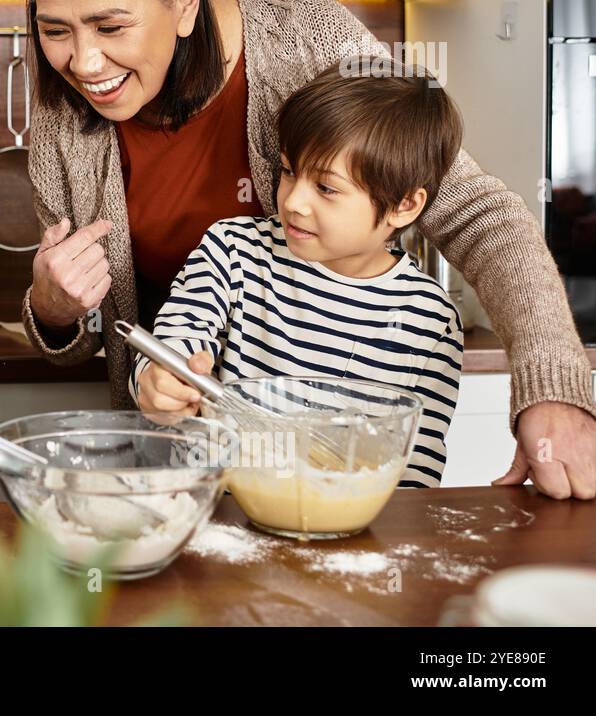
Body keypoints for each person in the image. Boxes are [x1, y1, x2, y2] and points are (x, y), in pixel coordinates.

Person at [21, 0, 596, 500]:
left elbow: (478, 214)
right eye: (55, 31)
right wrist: (53, 308)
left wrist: (554, 385)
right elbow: (96, 338)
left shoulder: (305, 37)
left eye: (110, 26)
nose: (84, 62)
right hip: (184, 459)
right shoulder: (63, 122)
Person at [133, 60, 462, 488]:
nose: (292, 202)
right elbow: (175, 342)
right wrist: (159, 381)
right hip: (212, 507)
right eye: (289, 171)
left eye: (326, 187)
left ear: (404, 205)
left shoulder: (429, 320)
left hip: (348, 520)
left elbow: (413, 479)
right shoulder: (235, 251)